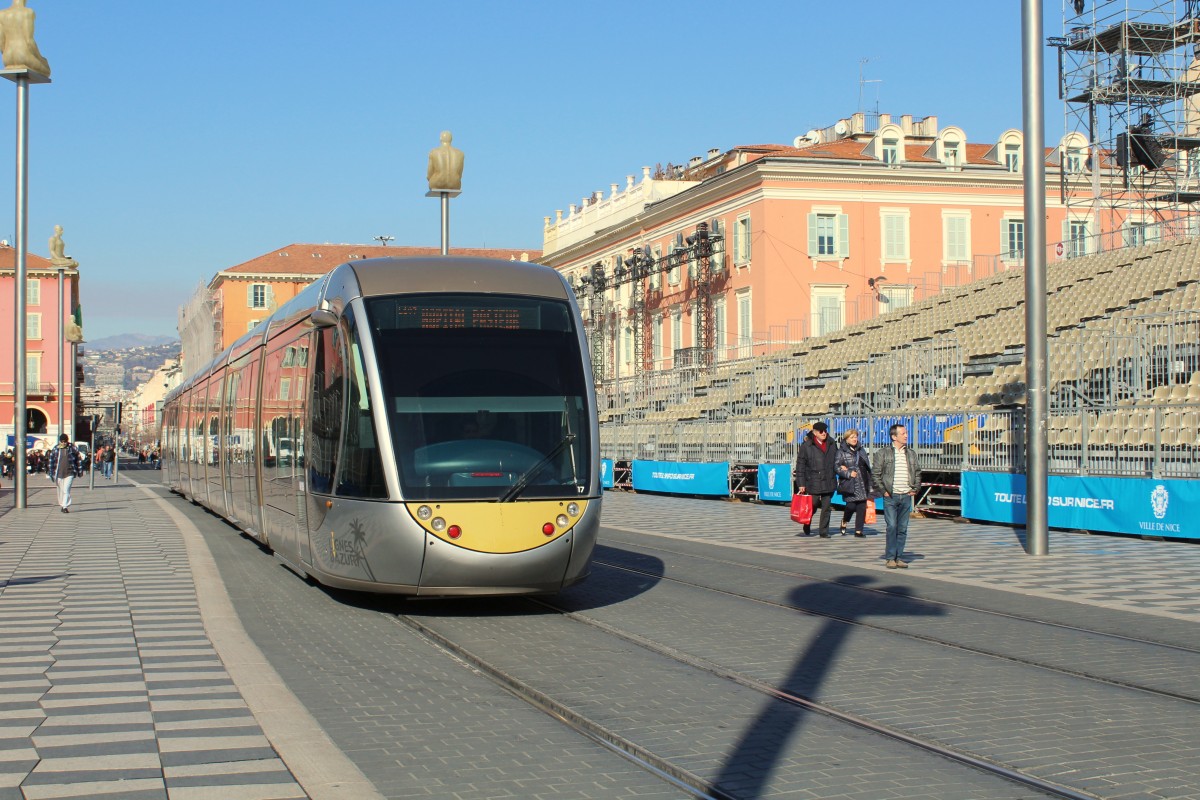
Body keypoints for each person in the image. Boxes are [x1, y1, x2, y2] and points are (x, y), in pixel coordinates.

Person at [872, 423, 921, 568]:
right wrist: (884, 491)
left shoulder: (911, 453)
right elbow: (875, 474)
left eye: (906, 433)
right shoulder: (883, 453)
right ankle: (890, 557)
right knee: (892, 526)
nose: (906, 435)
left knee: (902, 528)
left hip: (906, 495)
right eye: (903, 433)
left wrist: (916, 488)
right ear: (894, 437)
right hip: (891, 496)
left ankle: (899, 556)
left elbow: (917, 472)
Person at [794, 421, 837, 537]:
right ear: (815, 432)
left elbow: (836, 460)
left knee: (826, 507)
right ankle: (807, 522)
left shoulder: (832, 443)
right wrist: (801, 483)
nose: (824, 433)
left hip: (828, 480)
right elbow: (800, 465)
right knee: (813, 504)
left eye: (825, 431)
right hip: (813, 481)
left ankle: (824, 532)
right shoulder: (807, 446)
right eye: (821, 431)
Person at [834, 428, 873, 537]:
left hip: (862, 481)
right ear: (846, 439)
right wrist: (847, 473)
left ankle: (858, 531)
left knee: (861, 506)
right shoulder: (841, 452)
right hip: (850, 483)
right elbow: (836, 467)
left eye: (856, 436)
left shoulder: (861, 450)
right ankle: (845, 520)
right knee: (850, 506)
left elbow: (867, 465)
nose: (855, 439)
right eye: (852, 437)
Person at [0, 0, 50, 76]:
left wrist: (6, 54)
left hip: (7, 58)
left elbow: (1, 42)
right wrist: (40, 58)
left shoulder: (2, 14)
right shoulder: (27, 12)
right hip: (23, 54)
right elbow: (29, 41)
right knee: (47, 71)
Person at [47, 434, 84, 513]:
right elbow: (51, 460)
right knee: (60, 490)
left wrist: (80, 471)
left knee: (66, 490)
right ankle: (62, 504)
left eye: (65, 441)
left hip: (70, 472)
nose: (64, 443)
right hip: (58, 473)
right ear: (60, 441)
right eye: (62, 441)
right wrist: (51, 473)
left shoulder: (72, 448)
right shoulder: (56, 449)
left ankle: (65, 506)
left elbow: (78, 459)